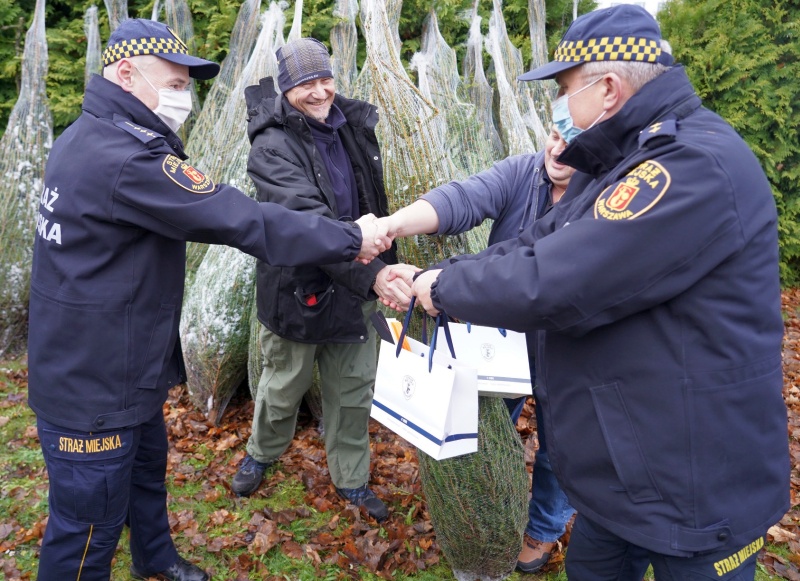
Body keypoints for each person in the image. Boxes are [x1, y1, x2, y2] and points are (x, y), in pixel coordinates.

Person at [410, 5, 790, 580]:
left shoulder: (689, 166)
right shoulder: (614, 160)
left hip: (695, 487)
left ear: (608, 89)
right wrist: (442, 274)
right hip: (622, 475)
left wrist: (444, 289)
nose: (559, 107)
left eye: (565, 90)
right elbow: (537, 242)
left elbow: (559, 281)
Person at [28, 19, 391, 581]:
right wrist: (350, 238)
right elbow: (238, 217)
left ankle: (155, 557)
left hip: (121, 366)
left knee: (145, 475)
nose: (184, 97)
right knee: (86, 530)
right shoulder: (125, 157)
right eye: (174, 84)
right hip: (93, 385)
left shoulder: (88, 136)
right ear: (126, 74)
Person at [229, 37, 413, 522]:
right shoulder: (270, 148)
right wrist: (374, 273)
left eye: (325, 78)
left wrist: (383, 263)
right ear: (286, 89)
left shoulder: (351, 125)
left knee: (353, 391)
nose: (319, 91)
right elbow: (308, 223)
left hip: (357, 286)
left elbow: (371, 203)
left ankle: (351, 477)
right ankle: (262, 452)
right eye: (305, 83)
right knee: (281, 387)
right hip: (298, 288)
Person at [379, 126, 575, 573]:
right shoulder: (525, 173)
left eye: (573, 140)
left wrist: (441, 282)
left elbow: (533, 268)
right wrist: (394, 225)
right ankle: (486, 521)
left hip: (569, 349)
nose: (558, 149)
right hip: (500, 345)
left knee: (561, 447)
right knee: (484, 431)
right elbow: (463, 199)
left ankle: (543, 529)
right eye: (554, 134)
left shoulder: (601, 197)